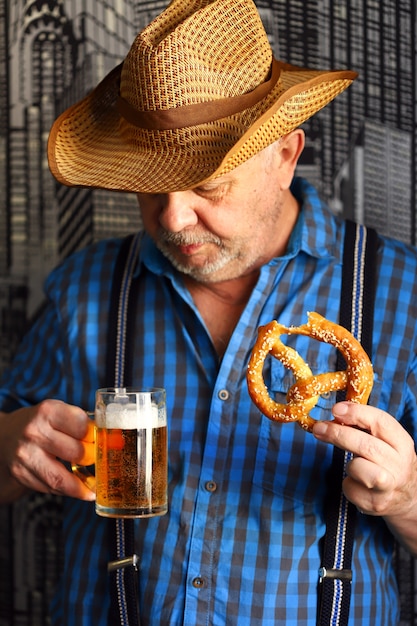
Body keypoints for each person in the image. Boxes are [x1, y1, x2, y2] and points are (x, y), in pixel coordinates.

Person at [1, 0, 417, 623]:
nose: (172, 217)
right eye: (151, 184)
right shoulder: (82, 289)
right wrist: (7, 447)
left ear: (286, 154)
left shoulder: (402, 293)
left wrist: (408, 498)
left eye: (207, 186)